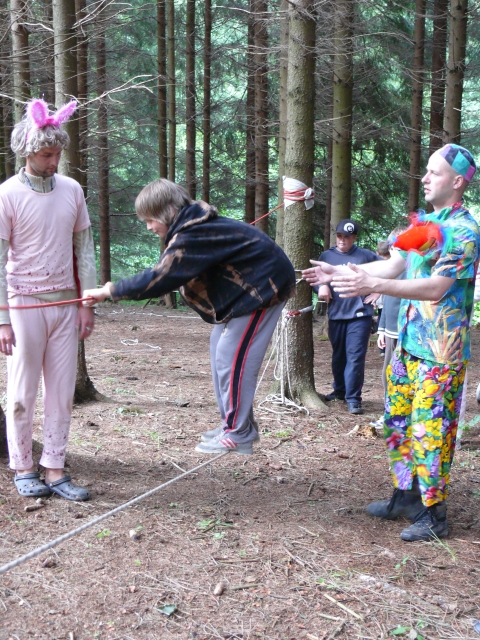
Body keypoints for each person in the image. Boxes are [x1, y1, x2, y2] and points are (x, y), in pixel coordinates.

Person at [303, 144, 479, 541]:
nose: (425, 178)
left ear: (457, 181)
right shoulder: (427, 224)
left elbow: (436, 287)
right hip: (409, 348)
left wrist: (374, 285)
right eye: (426, 171)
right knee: (397, 422)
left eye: (434, 172)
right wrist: (338, 272)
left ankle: (434, 514)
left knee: (431, 431)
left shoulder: (464, 232)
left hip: (441, 354)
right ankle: (405, 495)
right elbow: (394, 263)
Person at [84, 179, 296, 455]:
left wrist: (110, 291)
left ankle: (238, 433)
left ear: (168, 211)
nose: (149, 227)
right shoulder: (193, 229)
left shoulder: (193, 233)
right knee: (220, 349)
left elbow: (160, 277)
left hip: (264, 289)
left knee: (233, 358)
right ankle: (234, 425)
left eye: (150, 219)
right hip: (248, 293)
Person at [0, 99, 97, 501]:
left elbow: (85, 248)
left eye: (58, 154)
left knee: (61, 391)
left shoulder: (72, 190)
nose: (54, 161)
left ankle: (55, 467)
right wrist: (2, 318)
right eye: (47, 155)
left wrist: (86, 303)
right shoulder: (6, 194)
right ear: (28, 151)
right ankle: (23, 467)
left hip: (66, 304)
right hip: (23, 302)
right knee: (22, 391)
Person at [316, 219, 383, 415]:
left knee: (355, 357)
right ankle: (339, 391)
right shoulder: (326, 256)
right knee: (338, 356)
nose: (342, 240)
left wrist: (377, 291)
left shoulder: (366, 256)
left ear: (354, 238)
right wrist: (321, 286)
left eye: (347, 237)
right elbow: (316, 277)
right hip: (336, 314)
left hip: (359, 315)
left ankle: (353, 398)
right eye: (339, 236)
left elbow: (388, 269)